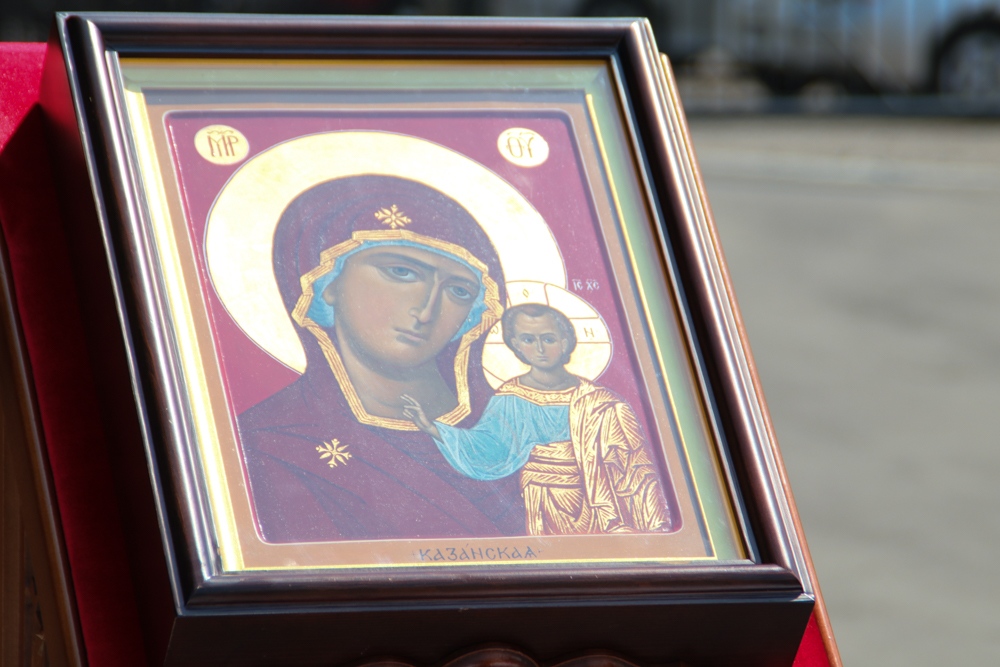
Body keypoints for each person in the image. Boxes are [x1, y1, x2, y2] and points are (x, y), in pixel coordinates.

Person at [237, 175, 525, 543]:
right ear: (327, 282)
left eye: (458, 290)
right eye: (401, 272)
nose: (427, 311)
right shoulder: (271, 442)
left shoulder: (516, 431)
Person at [403, 303, 673, 535]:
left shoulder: (603, 403)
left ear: (565, 341)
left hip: (599, 508)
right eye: (528, 340)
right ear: (516, 345)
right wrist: (434, 429)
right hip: (542, 500)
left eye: (549, 339)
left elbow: (635, 467)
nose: (540, 348)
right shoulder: (510, 398)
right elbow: (488, 447)